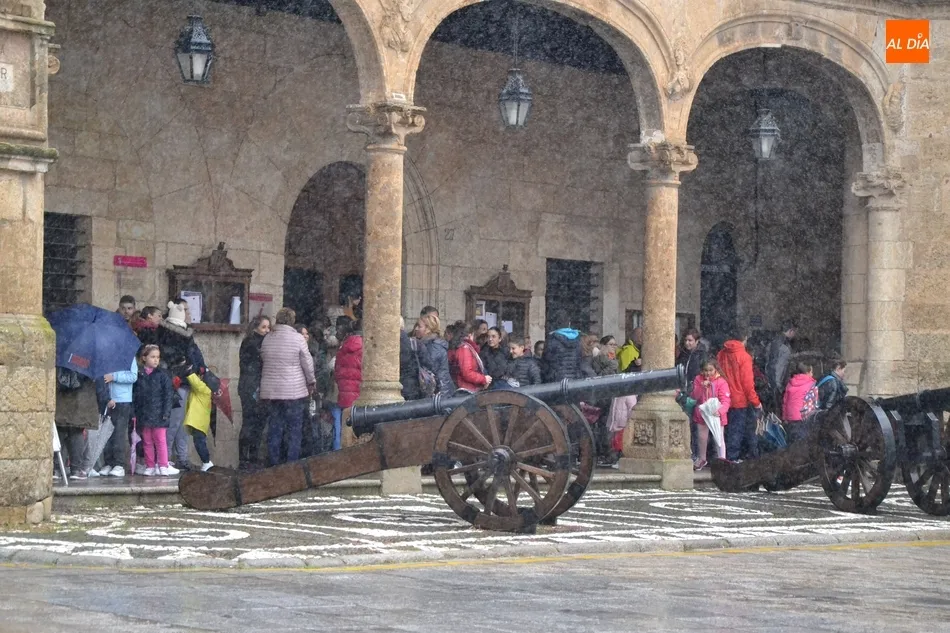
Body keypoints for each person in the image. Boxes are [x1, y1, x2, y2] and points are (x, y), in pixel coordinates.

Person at [260, 308, 316, 466]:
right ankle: (292, 464)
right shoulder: (297, 338)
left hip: (272, 392)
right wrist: (311, 381)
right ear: (292, 321)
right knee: (294, 430)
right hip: (293, 392)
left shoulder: (268, 339)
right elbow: (307, 363)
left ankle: (274, 463)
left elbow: (263, 358)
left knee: (275, 428)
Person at [157, 299, 207, 470]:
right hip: (177, 382)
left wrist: (201, 368)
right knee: (174, 422)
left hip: (188, 380)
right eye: (185, 309)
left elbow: (194, 354)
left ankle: (182, 457)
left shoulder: (185, 333)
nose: (188, 313)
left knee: (183, 423)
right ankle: (165, 458)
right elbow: (174, 357)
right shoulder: (170, 334)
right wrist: (185, 366)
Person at [716, 329, 762, 462]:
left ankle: (721, 457)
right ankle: (733, 459)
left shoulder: (721, 354)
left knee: (723, 430)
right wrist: (756, 402)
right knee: (737, 431)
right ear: (745, 338)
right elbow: (747, 384)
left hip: (722, 397)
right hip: (739, 400)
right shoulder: (744, 357)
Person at [54, 369, 108, 480]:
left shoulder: (62, 359)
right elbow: (99, 383)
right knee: (76, 433)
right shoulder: (90, 360)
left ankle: (56, 469)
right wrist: (103, 399)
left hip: (61, 401)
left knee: (60, 433)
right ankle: (75, 469)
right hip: (81, 401)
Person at [132, 345, 177, 476]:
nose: (156, 360)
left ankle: (163, 464)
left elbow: (168, 395)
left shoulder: (163, 375)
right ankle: (150, 465)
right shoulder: (140, 375)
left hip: (159, 414)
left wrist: (166, 413)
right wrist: (135, 412)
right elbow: (136, 395)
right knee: (147, 441)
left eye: (157, 357)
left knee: (160, 440)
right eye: (152, 357)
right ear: (144, 358)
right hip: (145, 413)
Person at [97, 354, 138, 477]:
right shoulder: (106, 356)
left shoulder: (129, 357)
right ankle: (108, 462)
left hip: (122, 399)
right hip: (108, 399)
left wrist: (114, 377)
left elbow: (133, 376)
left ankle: (119, 464)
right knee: (107, 433)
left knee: (119, 433)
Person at [238, 315, 271, 469]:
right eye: (264, 327)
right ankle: (247, 458)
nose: (267, 330)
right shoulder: (252, 342)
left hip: (254, 386)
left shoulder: (256, 342)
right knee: (251, 423)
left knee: (256, 424)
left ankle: (250, 457)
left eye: (268, 327)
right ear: (256, 328)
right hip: (251, 387)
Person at [689, 359, 731, 470]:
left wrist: (720, 411)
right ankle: (702, 458)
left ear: (716, 369)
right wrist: (701, 387)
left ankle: (722, 459)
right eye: (705, 370)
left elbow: (725, 400)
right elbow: (694, 396)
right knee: (702, 438)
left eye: (710, 370)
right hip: (702, 414)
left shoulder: (721, 382)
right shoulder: (698, 379)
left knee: (719, 438)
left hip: (717, 414)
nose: (708, 373)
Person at [180, 363, 218, 472]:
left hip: (198, 422)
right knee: (199, 443)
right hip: (198, 422)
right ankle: (206, 462)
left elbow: (195, 382)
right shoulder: (204, 391)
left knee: (200, 443)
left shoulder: (204, 390)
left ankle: (207, 462)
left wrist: (189, 371)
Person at [416, 313, 455, 394]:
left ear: (428, 329)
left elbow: (431, 368)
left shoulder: (434, 346)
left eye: (419, 326)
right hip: (439, 387)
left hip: (440, 390)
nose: (416, 329)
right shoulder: (428, 343)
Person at [449, 321, 491, 393]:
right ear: (470, 335)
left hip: (465, 387)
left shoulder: (460, 346)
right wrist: (483, 379)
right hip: (467, 389)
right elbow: (467, 373)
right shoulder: (464, 348)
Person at [540, 311, 582, 383]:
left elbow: (546, 362)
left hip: (556, 380)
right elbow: (579, 361)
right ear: (569, 323)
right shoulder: (578, 340)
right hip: (574, 380)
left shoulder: (552, 340)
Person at [783, 362, 817, 445]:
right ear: (807, 372)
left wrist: (784, 418)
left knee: (790, 442)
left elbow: (785, 402)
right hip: (803, 419)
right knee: (802, 444)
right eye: (811, 372)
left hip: (790, 418)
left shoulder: (790, 383)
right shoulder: (811, 384)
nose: (812, 374)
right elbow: (813, 403)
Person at [334, 318, 364, 412]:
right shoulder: (364, 348)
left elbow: (337, 371)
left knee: (346, 418)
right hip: (360, 394)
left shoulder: (343, 347)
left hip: (344, 393)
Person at [766, 321, 797, 408]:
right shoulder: (784, 348)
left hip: (770, 381)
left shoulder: (773, 342)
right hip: (778, 384)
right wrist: (779, 386)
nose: (794, 335)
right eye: (794, 332)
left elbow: (768, 363)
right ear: (791, 331)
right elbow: (780, 367)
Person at [400, 317, 422, 401]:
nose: (416, 329)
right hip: (413, 386)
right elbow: (428, 364)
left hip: (396, 385)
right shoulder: (415, 343)